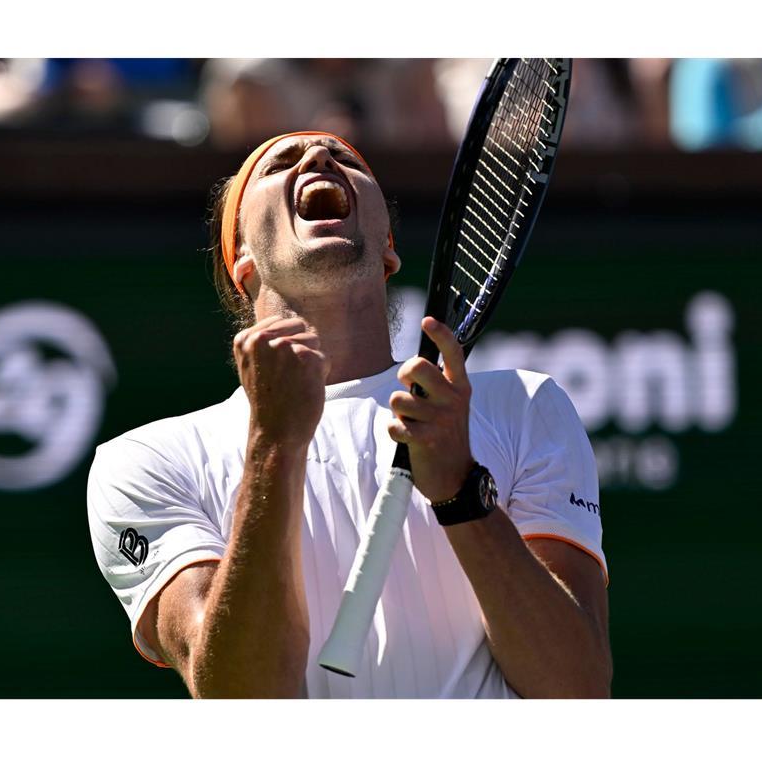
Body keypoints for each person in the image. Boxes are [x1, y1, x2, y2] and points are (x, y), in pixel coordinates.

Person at [86, 131, 611, 698]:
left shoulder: (526, 406)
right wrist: (274, 448)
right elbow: (240, 700)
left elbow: (576, 691)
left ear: (388, 248)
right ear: (240, 258)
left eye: (346, 160)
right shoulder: (145, 462)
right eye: (280, 163)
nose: (318, 158)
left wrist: (461, 494)